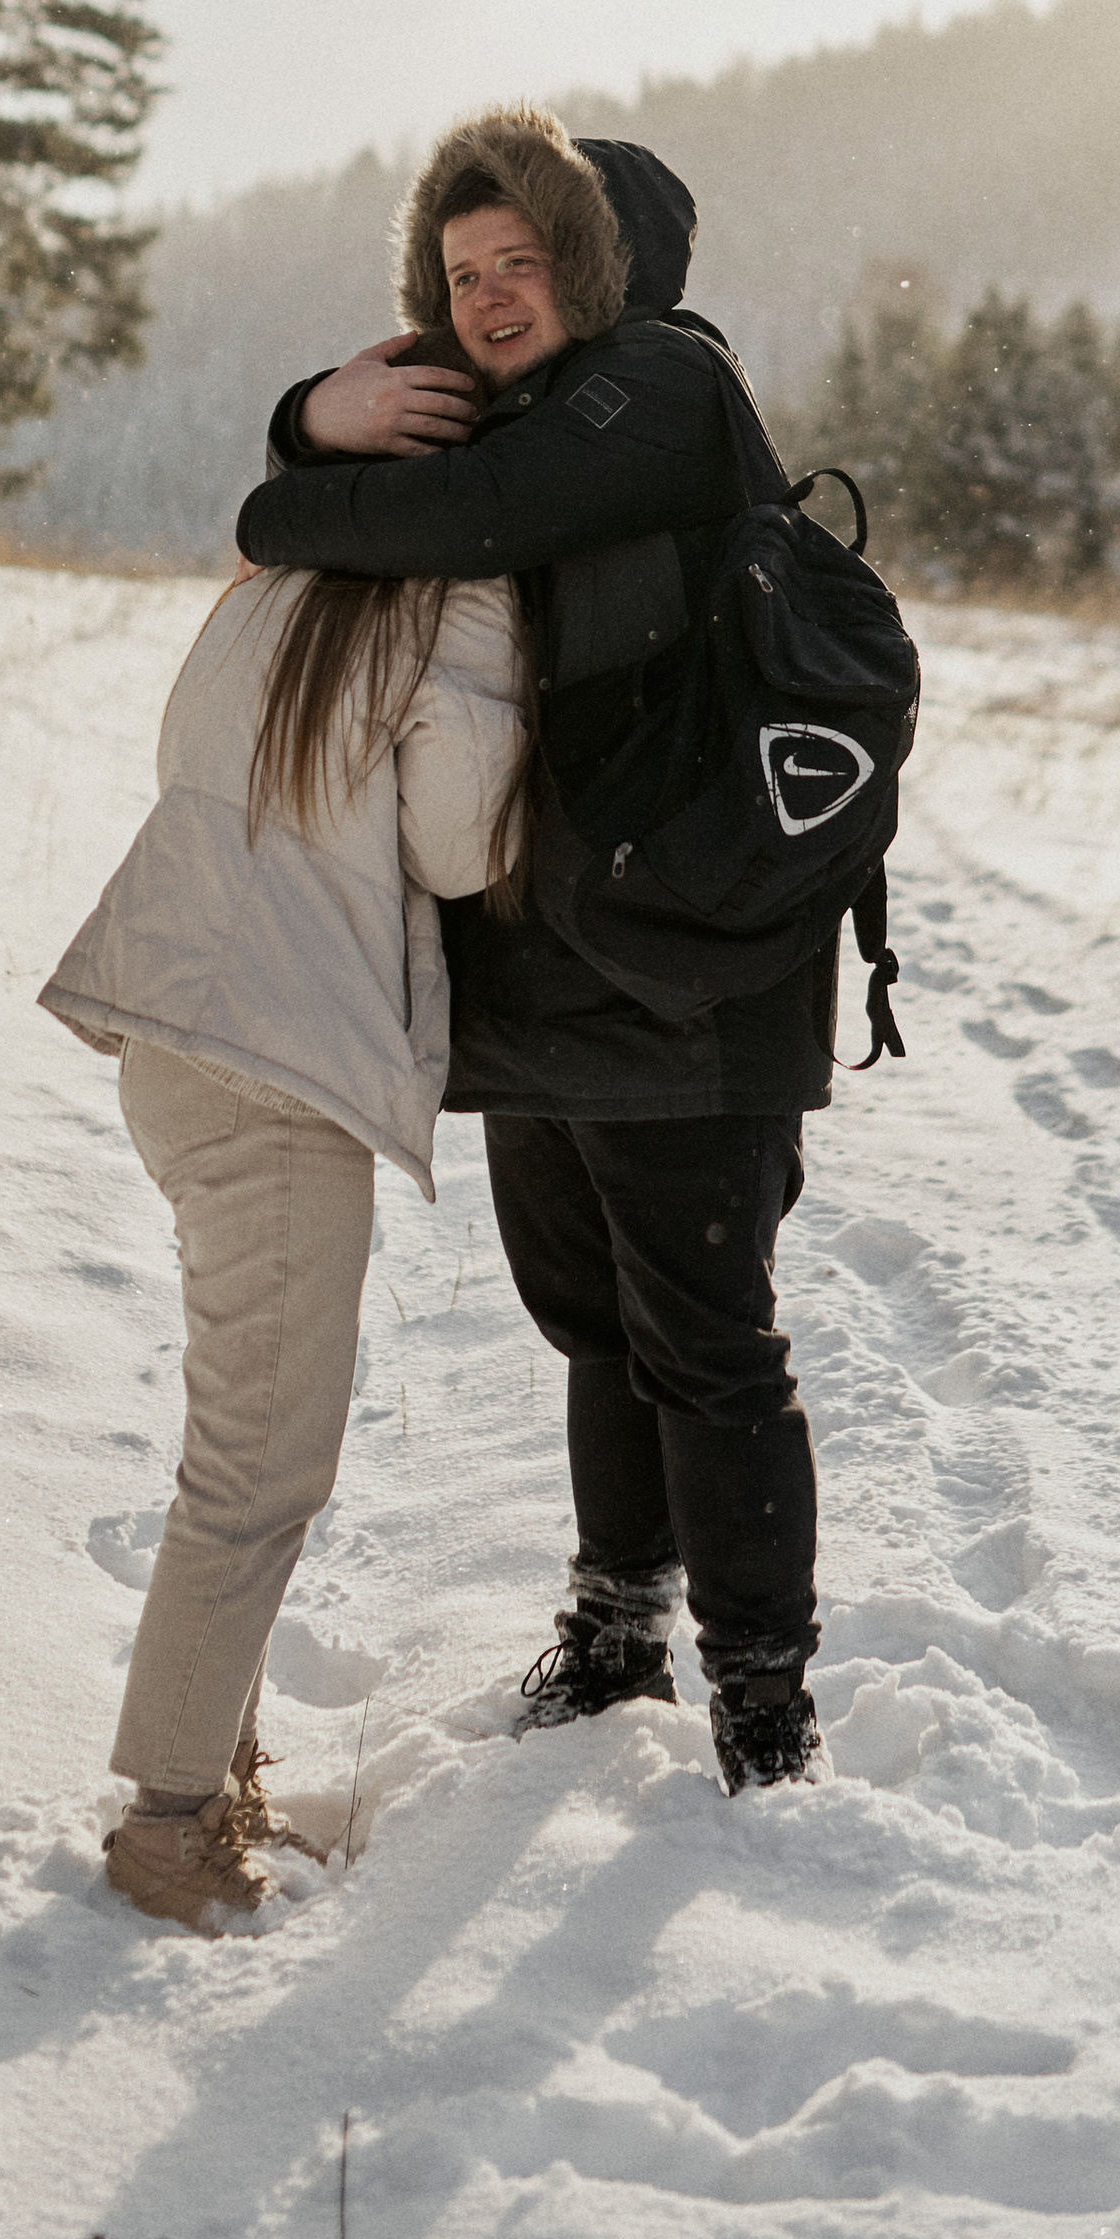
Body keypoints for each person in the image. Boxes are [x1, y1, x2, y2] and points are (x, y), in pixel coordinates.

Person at [232, 107, 835, 1792]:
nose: (492, 296)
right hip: (555, 959)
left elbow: (451, 518)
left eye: (529, 261)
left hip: (691, 964)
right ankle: (618, 1626)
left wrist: (287, 479)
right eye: (463, 269)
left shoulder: (658, 388)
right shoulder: (529, 411)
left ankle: (765, 1706)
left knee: (708, 1339)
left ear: (605, 265)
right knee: (596, 1323)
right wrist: (314, 419)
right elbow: (414, 492)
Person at [40, 547, 527, 1932]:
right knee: (259, 1466)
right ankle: (169, 1824)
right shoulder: (456, 596)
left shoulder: (279, 573)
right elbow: (461, 843)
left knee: (243, 1442)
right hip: (275, 1057)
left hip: (177, 1026)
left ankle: (213, 1770)